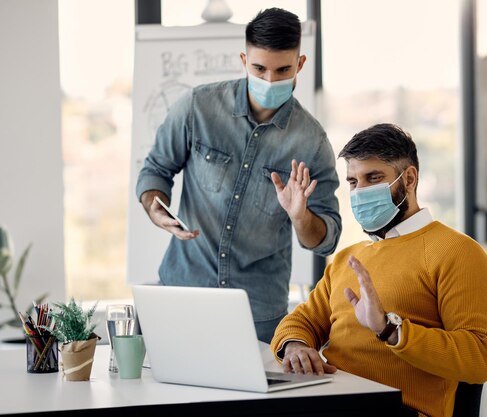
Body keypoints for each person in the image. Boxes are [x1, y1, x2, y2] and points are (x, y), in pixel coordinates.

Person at [135, 8, 341, 344]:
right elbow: (156, 170)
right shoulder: (196, 107)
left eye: (282, 70)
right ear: (244, 59)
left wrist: (301, 217)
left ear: (300, 65)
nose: (270, 81)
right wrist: (155, 206)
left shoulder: (312, 142)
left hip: (259, 313)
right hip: (181, 294)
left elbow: (327, 238)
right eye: (260, 69)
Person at [270, 123, 487, 417]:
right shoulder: (347, 259)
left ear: (410, 178)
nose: (360, 191)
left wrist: (389, 328)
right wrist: (295, 347)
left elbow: (479, 360)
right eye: (353, 182)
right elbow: (301, 321)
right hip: (328, 398)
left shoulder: (458, 252)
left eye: (373, 178)